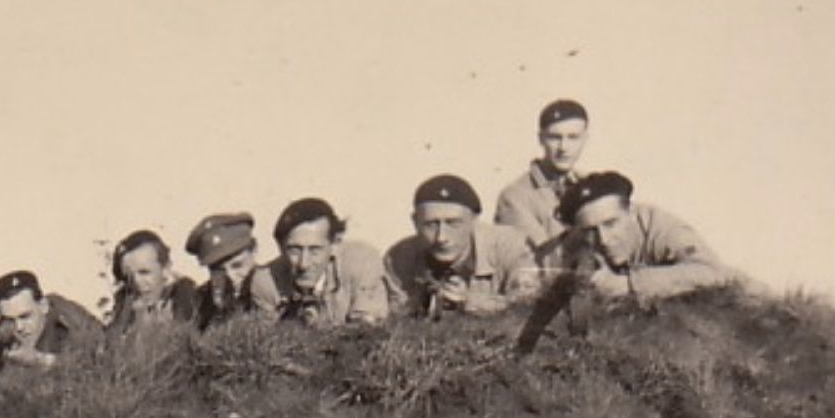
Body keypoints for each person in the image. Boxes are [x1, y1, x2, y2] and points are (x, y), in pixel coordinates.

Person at [546, 171, 733, 300]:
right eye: (591, 231)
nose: (603, 239)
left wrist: (628, 284)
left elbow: (712, 272)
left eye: (611, 223)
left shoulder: (663, 230)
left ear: (631, 212)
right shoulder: (576, 238)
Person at [383, 174, 541, 318]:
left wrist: (470, 301)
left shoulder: (510, 245)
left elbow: (528, 304)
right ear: (415, 222)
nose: (441, 237)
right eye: (431, 224)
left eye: (453, 223)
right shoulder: (398, 259)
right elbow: (390, 315)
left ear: (474, 221)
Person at [250, 197, 388, 326]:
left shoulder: (360, 263)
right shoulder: (266, 282)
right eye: (294, 250)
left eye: (315, 250)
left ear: (335, 245)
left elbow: (366, 332)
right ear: (280, 247)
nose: (304, 264)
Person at [494, 98, 591, 246]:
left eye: (573, 137)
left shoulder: (588, 185)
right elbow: (542, 259)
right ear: (541, 139)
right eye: (555, 138)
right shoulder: (514, 197)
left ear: (585, 139)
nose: (563, 147)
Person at [0, 270, 103, 375]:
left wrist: (42, 361)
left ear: (43, 306)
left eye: (25, 316)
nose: (19, 327)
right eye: (10, 320)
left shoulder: (70, 324)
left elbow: (97, 361)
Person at [105, 229, 200, 336]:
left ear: (165, 269)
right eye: (128, 277)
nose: (137, 282)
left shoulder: (186, 297)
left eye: (144, 272)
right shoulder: (124, 300)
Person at [184, 213, 260, 329]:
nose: (231, 277)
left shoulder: (275, 288)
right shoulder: (201, 303)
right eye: (218, 270)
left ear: (254, 251)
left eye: (237, 265)